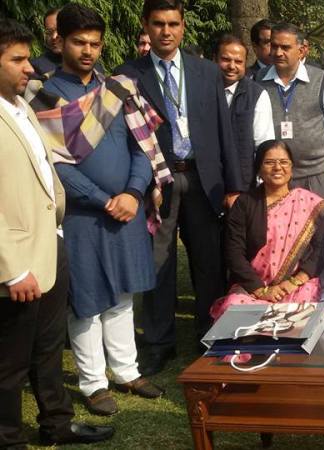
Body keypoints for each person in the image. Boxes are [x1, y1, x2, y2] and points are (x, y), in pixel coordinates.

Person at [26, 2, 166, 417]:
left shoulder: (120, 88)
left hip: (127, 207)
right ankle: (93, 382)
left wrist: (134, 193)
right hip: (80, 214)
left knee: (122, 292)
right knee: (85, 298)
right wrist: (103, 199)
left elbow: (143, 146)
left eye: (95, 44)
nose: (88, 51)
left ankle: (126, 370)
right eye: (78, 42)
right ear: (60, 41)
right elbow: (52, 164)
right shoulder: (42, 94)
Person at [0, 18, 114, 446]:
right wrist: (10, 269)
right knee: (10, 361)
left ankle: (57, 425)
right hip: (16, 260)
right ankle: (8, 437)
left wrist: (57, 233)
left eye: (28, 57)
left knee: (49, 348)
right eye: (17, 59)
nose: (29, 68)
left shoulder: (21, 106)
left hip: (50, 242)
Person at [116, 0, 244, 376]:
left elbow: (224, 130)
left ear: (183, 27)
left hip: (205, 180)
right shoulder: (129, 74)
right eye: (158, 24)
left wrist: (234, 185)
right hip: (159, 181)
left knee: (209, 262)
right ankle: (159, 342)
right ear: (146, 26)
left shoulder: (206, 71)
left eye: (173, 23)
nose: (166, 31)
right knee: (159, 263)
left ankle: (210, 334)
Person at [210, 140, 324, 319]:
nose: (277, 167)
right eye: (269, 162)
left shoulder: (310, 203)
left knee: (305, 304)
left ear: (291, 167)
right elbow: (233, 252)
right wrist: (261, 290)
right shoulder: (244, 204)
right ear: (259, 169)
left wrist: (295, 281)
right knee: (234, 307)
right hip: (253, 286)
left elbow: (319, 249)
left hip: (295, 285)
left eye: (283, 162)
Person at [260, 22, 324, 200]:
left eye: (285, 47)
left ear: (301, 51)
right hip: (274, 176)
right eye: (274, 46)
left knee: (318, 226)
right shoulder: (258, 81)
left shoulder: (321, 80)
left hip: (315, 175)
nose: (278, 52)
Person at [214, 33, 274, 187]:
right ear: (214, 58)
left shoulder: (256, 95)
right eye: (226, 59)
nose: (232, 66)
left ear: (245, 64)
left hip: (244, 183)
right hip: (207, 181)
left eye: (238, 61)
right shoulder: (201, 90)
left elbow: (263, 144)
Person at [30, 7, 62, 79]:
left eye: (59, 30)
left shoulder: (86, 61)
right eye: (49, 32)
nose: (54, 37)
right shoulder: (36, 67)